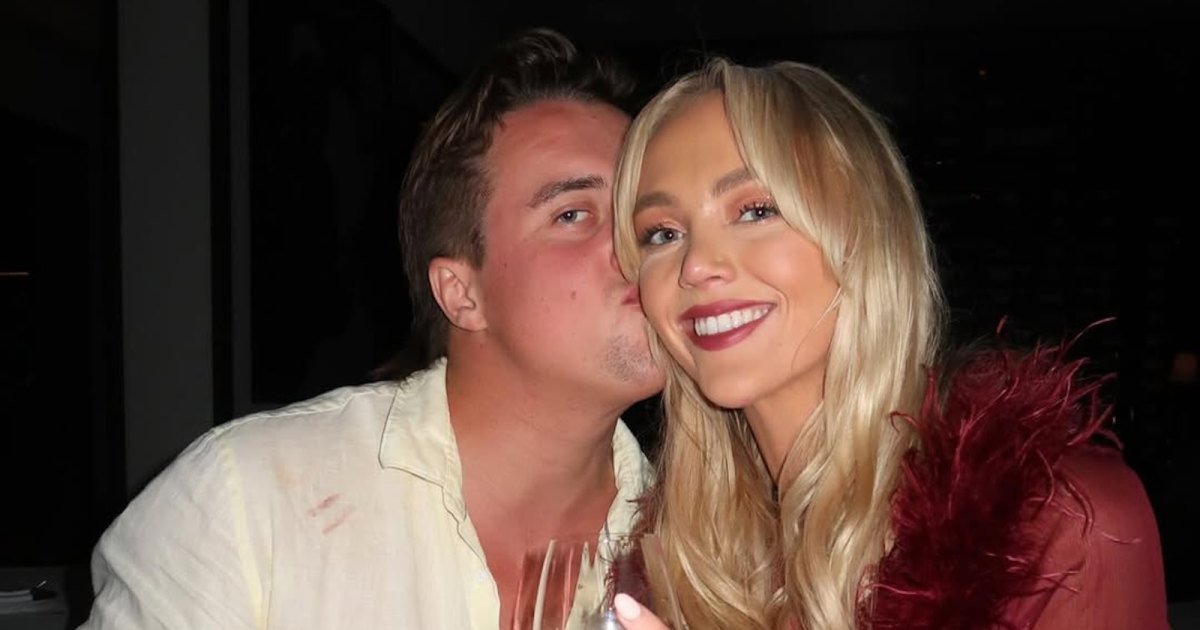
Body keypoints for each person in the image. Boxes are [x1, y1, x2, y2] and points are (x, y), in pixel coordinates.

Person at [79, 28, 662, 629]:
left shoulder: (699, 551)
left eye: (645, 215)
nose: (638, 244)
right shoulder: (246, 507)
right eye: (573, 213)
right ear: (461, 294)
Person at [606, 58, 1168, 629]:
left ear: (864, 236)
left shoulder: (1054, 527)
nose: (697, 265)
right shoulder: (680, 565)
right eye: (663, 233)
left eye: (756, 210)